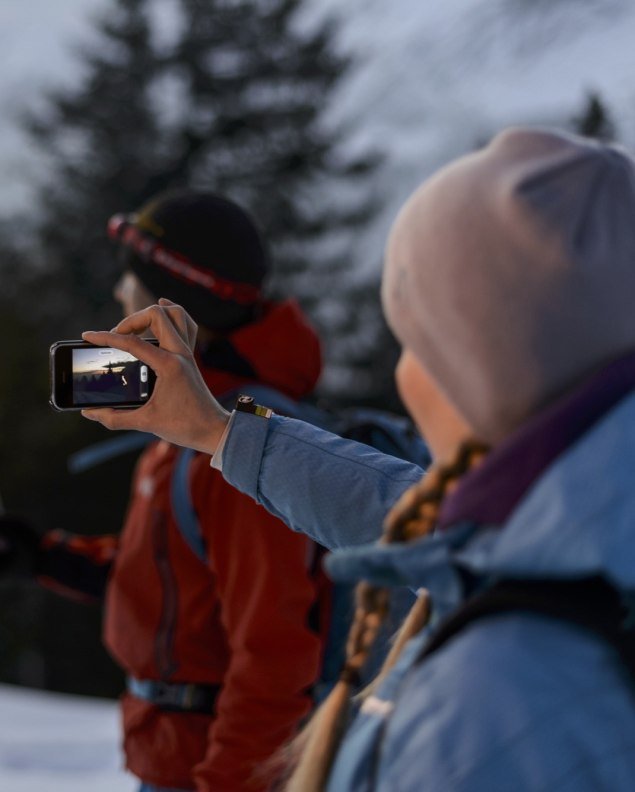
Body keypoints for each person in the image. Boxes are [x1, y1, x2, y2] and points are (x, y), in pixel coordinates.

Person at [79, 126, 635, 790]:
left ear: (473, 365)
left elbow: (272, 651)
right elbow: (403, 508)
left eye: (413, 340)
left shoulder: (501, 695)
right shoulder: (562, 546)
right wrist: (218, 433)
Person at [0, 190, 328, 792]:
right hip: (170, 752)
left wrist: (226, 783)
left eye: (131, 278)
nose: (119, 294)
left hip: (209, 767)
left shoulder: (240, 447)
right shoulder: (187, 426)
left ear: (174, 309)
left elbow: (275, 656)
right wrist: (42, 555)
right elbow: (173, 580)